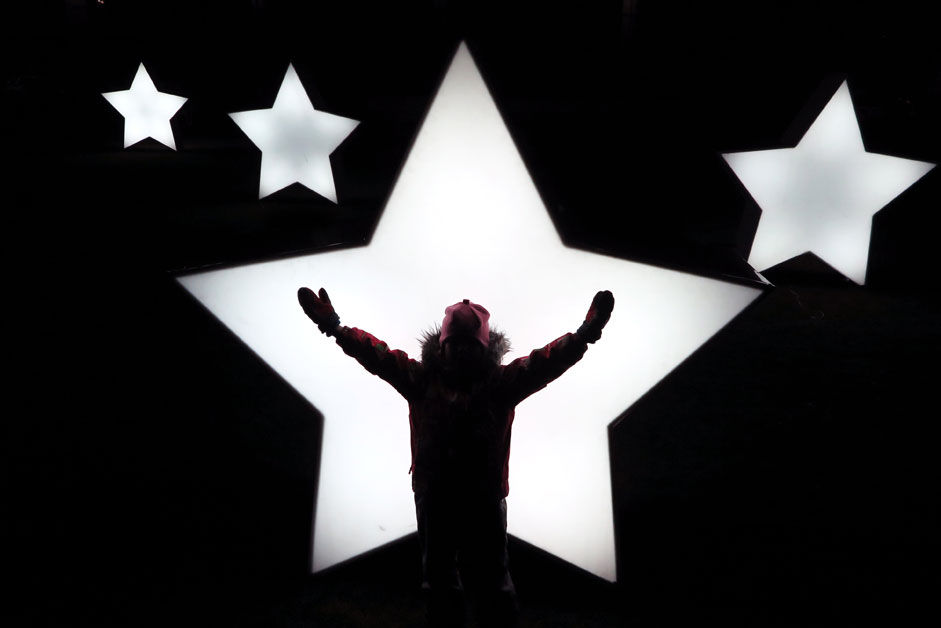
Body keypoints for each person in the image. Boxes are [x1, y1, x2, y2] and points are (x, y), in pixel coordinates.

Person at [297, 287, 615, 628]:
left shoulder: (499, 384)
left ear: (482, 347)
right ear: (442, 345)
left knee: (492, 579)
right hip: (435, 495)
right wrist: (336, 328)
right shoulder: (422, 379)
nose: (462, 351)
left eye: (469, 344)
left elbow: (545, 362)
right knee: (439, 579)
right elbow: (379, 356)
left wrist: (583, 336)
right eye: (456, 343)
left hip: (482, 499)